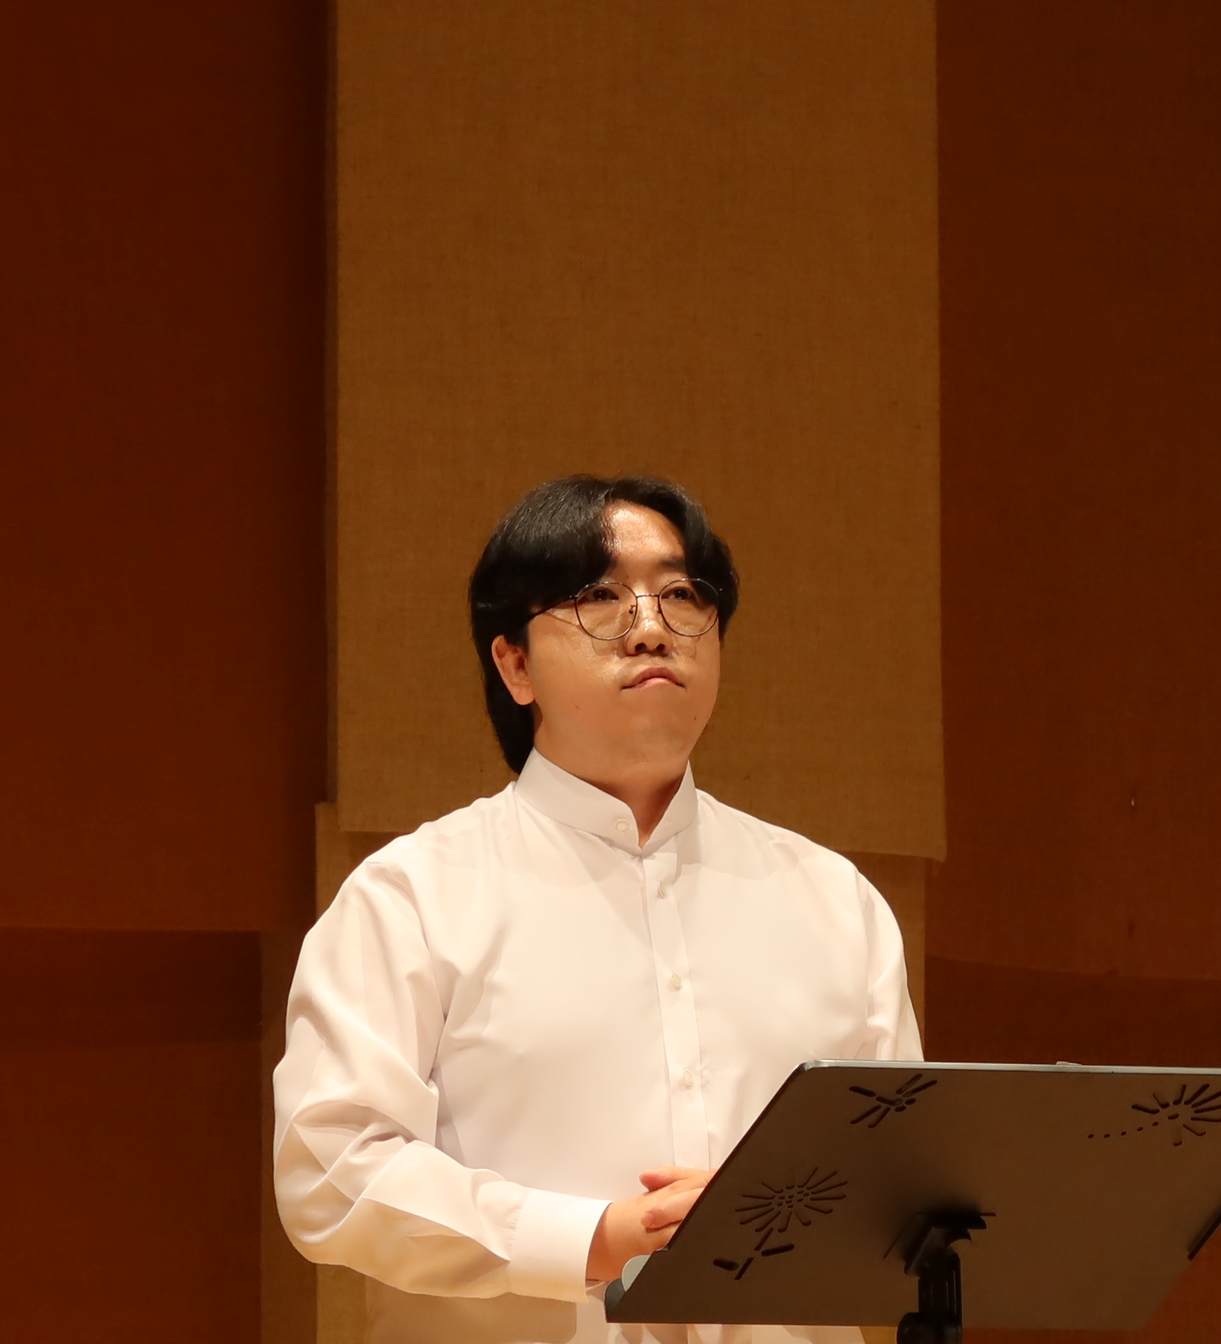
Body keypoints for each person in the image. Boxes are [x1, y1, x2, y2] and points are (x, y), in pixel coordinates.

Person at [274, 476, 920, 1344]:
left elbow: (902, 1183)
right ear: (515, 665)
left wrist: (788, 1214)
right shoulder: (413, 896)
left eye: (681, 594)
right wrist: (592, 1238)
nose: (651, 626)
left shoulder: (833, 899)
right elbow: (332, 1172)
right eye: (599, 597)